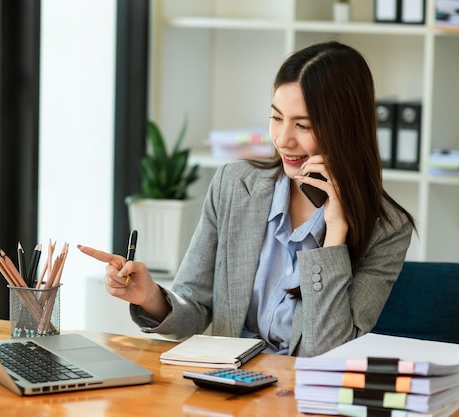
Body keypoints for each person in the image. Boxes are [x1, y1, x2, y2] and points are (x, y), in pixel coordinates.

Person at [78, 41, 415, 357]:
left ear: (345, 129)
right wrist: (150, 296)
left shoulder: (387, 229)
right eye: (277, 118)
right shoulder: (234, 186)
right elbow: (194, 309)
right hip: (224, 387)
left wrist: (335, 231)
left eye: (304, 125)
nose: (283, 139)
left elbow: (328, 352)